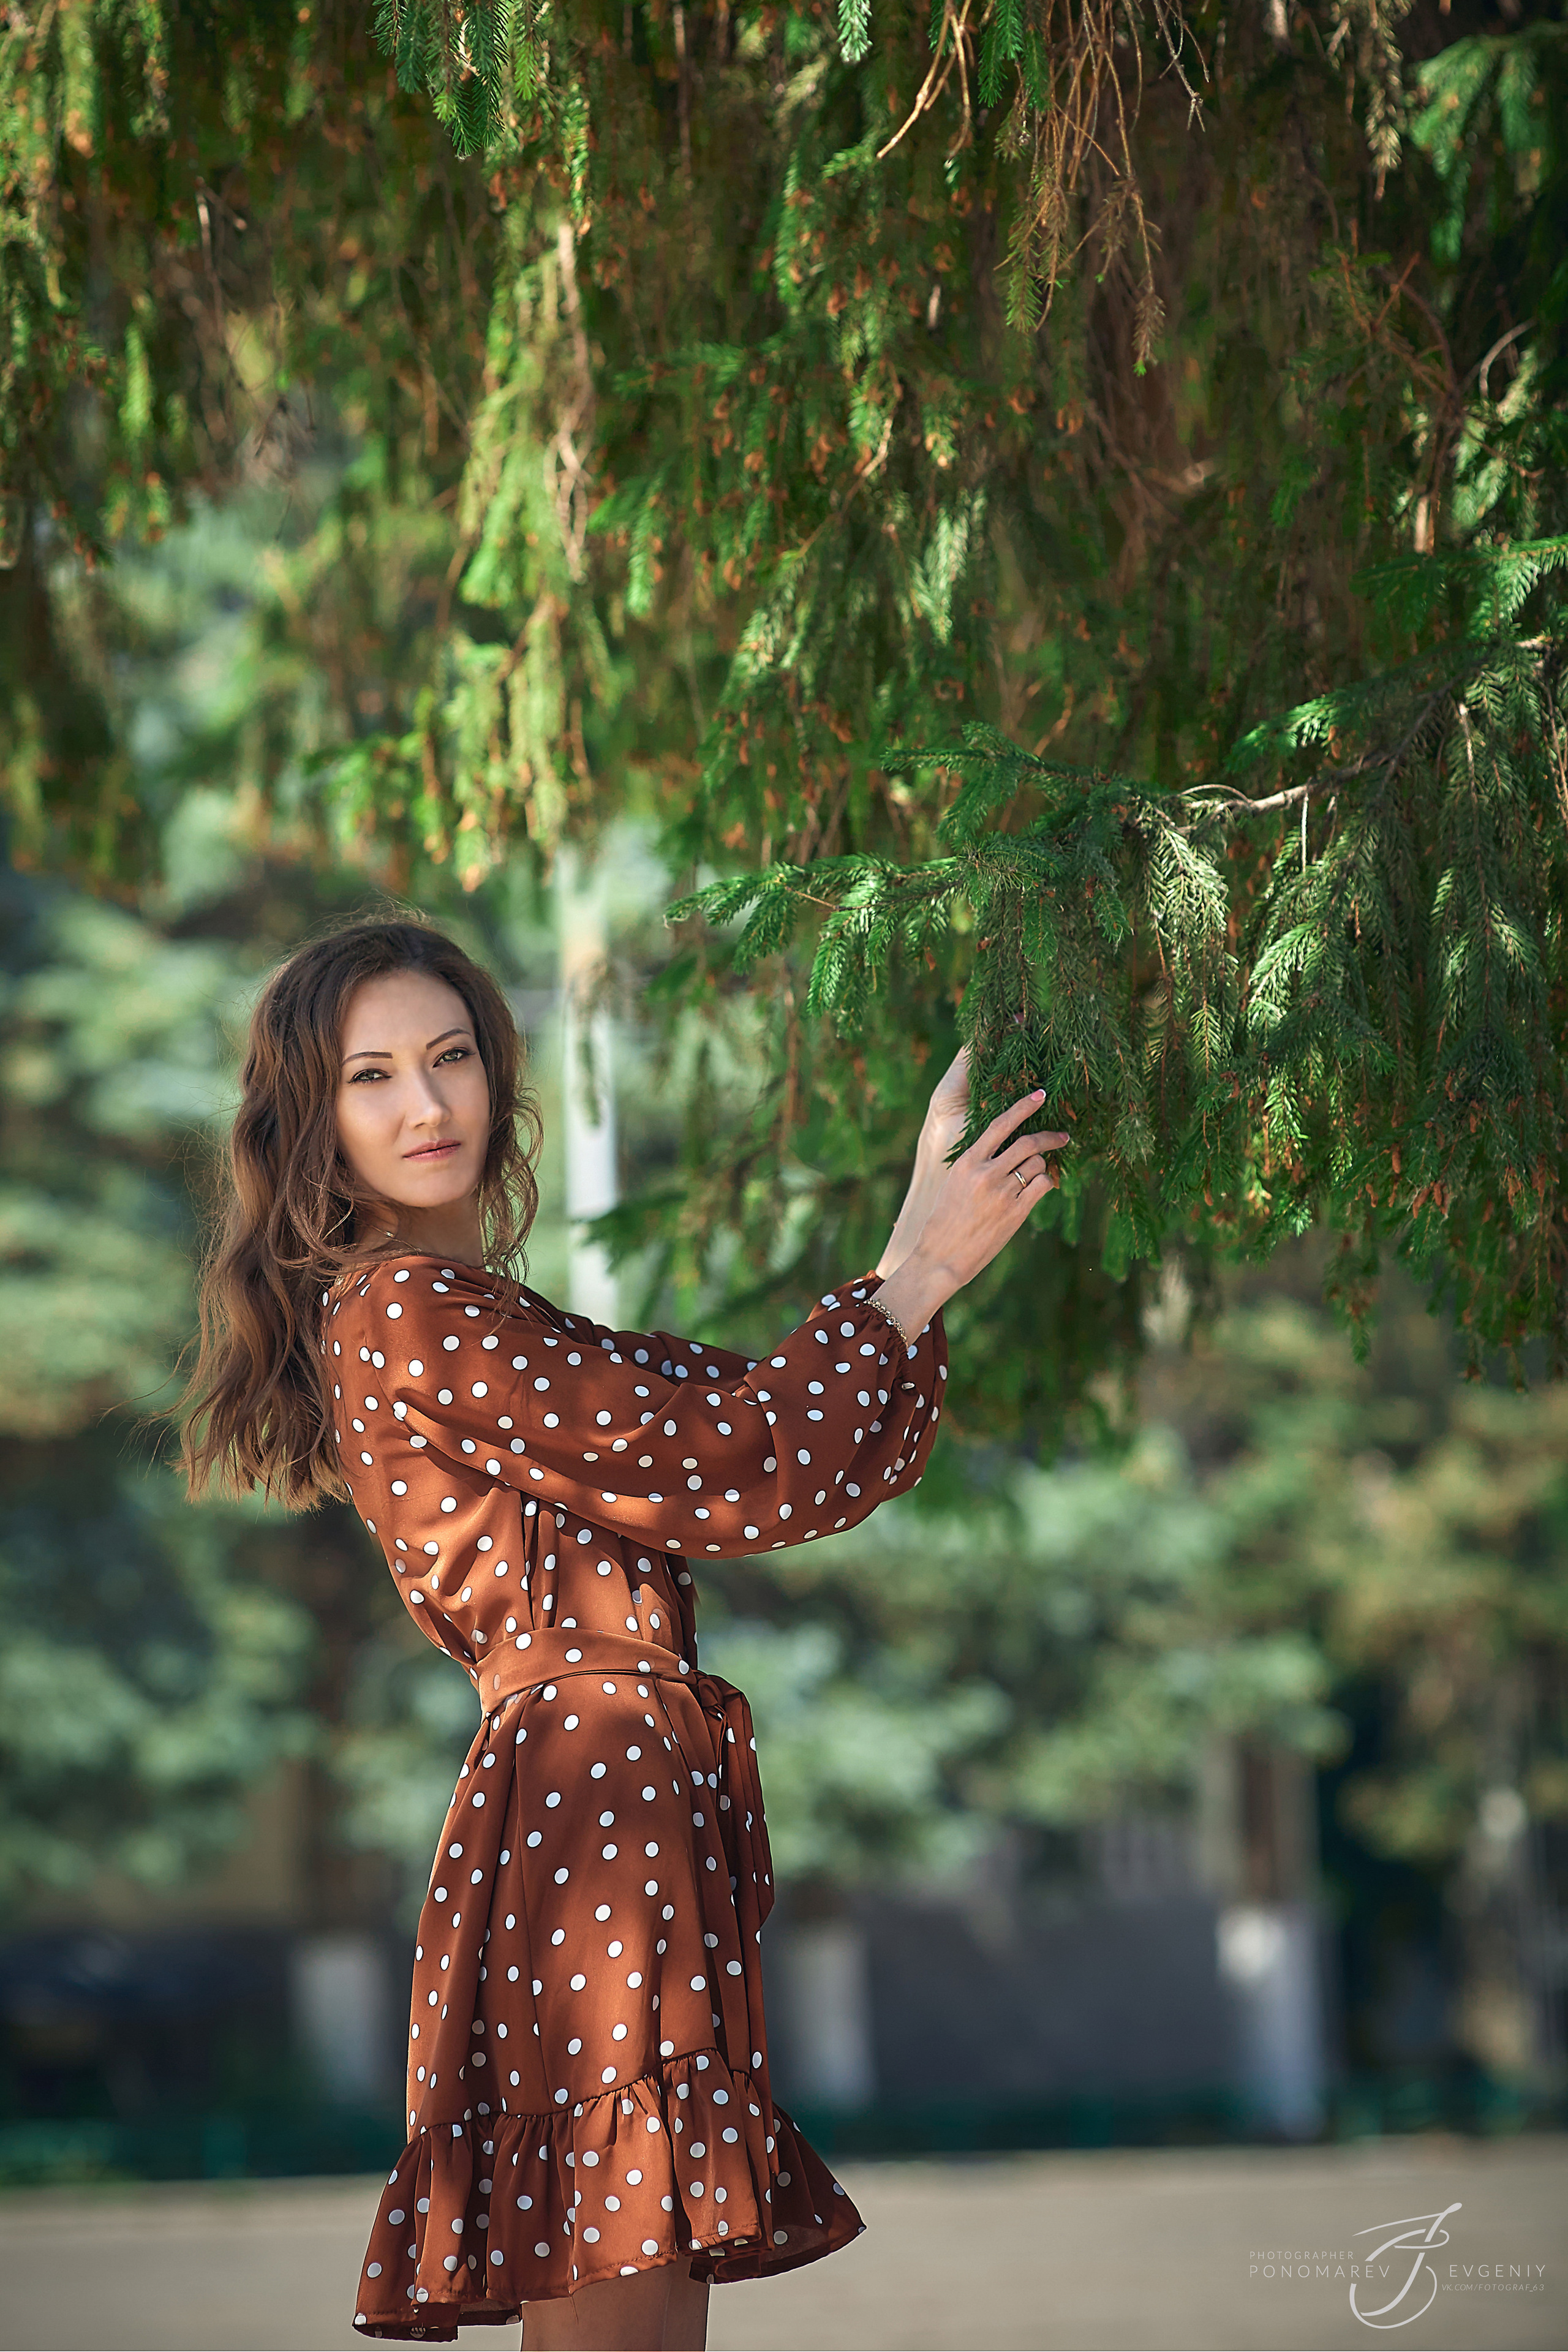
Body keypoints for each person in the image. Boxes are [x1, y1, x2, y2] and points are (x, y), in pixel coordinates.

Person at [181, 916, 1066, 2350]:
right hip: (592, 1804)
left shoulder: (486, 1317)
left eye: (452, 1056)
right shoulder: (406, 1309)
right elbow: (728, 1455)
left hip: (611, 1794)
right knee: (617, 2305)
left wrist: (918, 1260)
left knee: (642, 2308)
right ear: (311, 1123)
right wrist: (913, 1272)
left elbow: (786, 1441)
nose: (425, 1105)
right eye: (373, 1076)